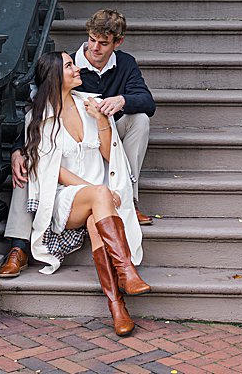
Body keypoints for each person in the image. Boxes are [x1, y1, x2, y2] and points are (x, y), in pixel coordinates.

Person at [0, 9, 155, 279]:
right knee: (31, 163)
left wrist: (122, 101)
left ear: (117, 43)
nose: (94, 48)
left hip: (103, 135)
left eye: (103, 43)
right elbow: (36, 110)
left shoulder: (125, 64)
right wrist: (17, 149)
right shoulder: (65, 64)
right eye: (92, 39)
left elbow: (147, 102)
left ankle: (129, 196)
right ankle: (19, 245)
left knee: (139, 119)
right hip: (67, 143)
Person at [21, 51, 149, 335]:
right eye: (69, 65)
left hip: (97, 201)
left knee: (96, 223)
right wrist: (95, 191)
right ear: (55, 76)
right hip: (66, 198)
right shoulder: (39, 117)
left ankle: (118, 307)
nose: (77, 68)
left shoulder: (90, 104)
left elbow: (108, 154)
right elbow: (52, 170)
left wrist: (101, 118)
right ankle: (127, 271)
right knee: (98, 199)